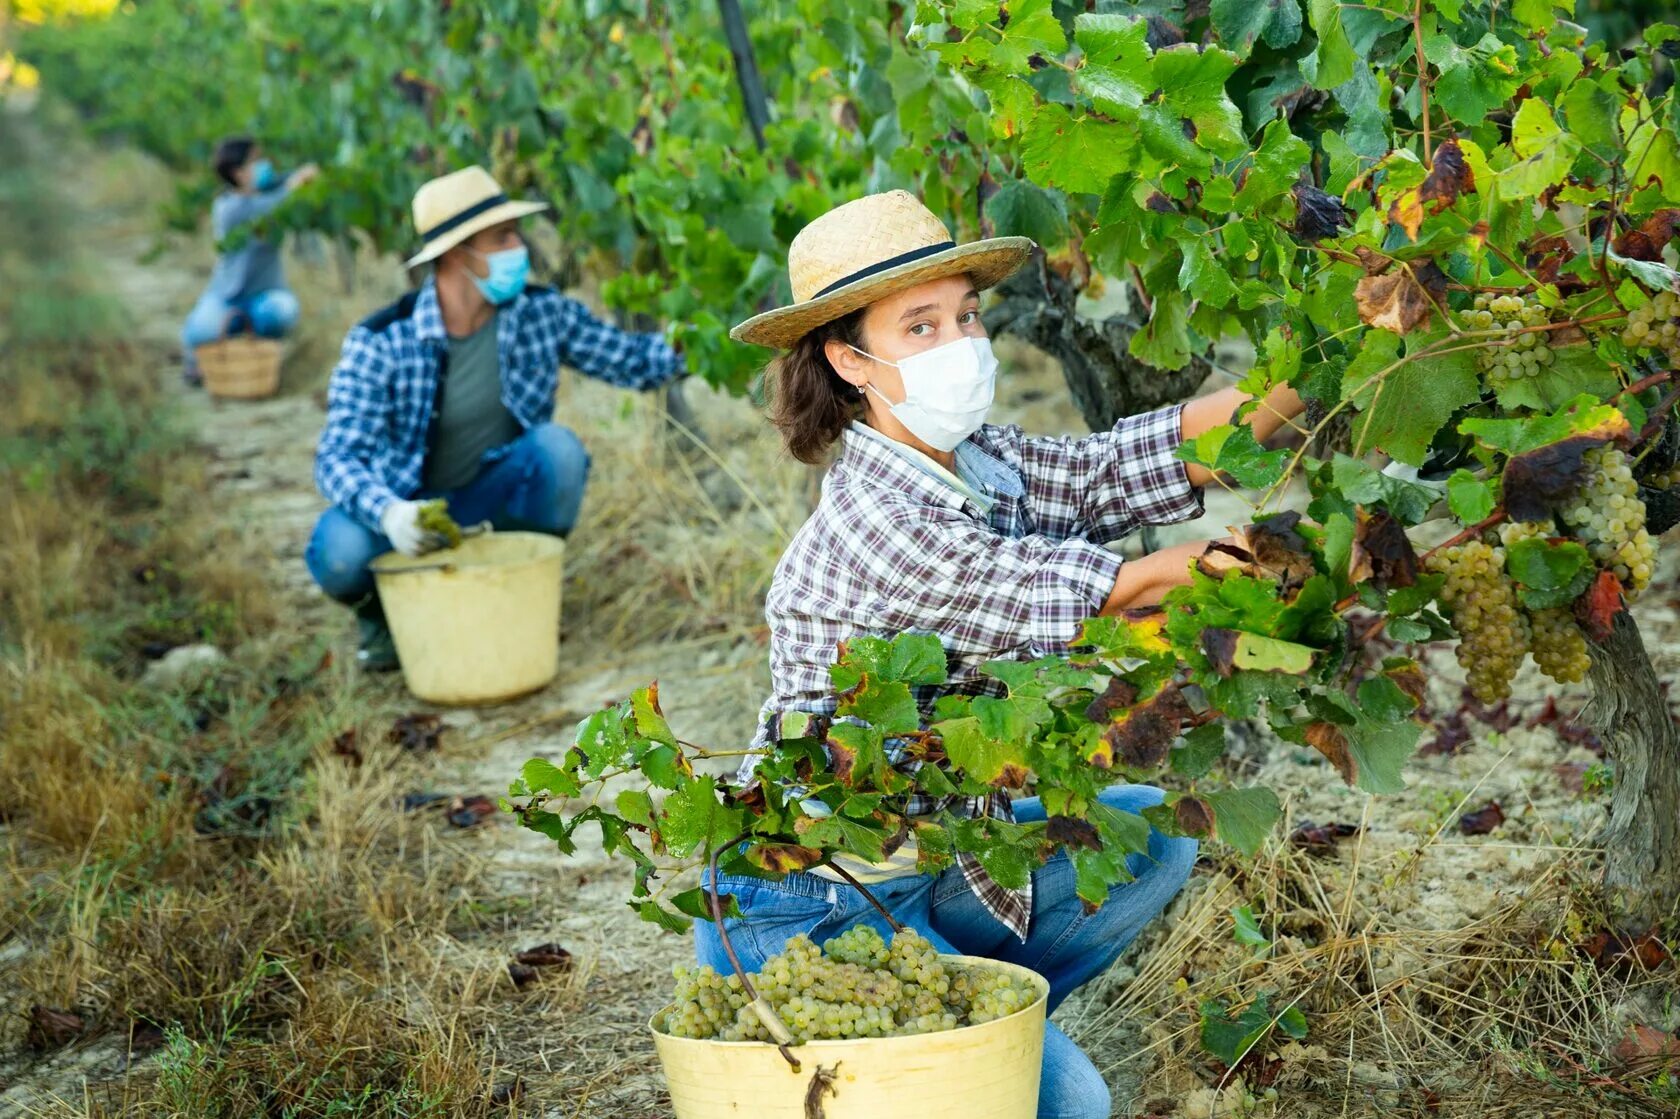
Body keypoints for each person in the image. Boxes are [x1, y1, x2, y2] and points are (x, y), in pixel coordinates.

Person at [700, 191, 1306, 1119]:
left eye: (966, 315)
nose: (961, 344)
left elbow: (1120, 466)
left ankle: (975, 1031)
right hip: (802, 902)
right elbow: (1082, 588)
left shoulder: (970, 456)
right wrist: (1217, 570)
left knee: (1152, 834)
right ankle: (943, 1063)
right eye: (921, 325)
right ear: (849, 358)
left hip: (925, 856)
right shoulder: (877, 520)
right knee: (1073, 1107)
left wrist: (1310, 368)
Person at [306, 165, 687, 669]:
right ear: (455, 255)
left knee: (557, 452)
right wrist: (390, 514)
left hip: (490, 503)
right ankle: (387, 619)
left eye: (516, 235)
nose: (519, 249)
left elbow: (635, 361)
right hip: (410, 517)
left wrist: (715, 337)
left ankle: (518, 591)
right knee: (339, 550)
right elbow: (336, 457)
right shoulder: (382, 340)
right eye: (502, 237)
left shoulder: (539, 312)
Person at [180, 137, 318, 383]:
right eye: (255, 160)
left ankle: (257, 347)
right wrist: (296, 183)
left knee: (282, 313)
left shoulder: (266, 196)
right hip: (227, 296)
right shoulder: (229, 208)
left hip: (265, 294)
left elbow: (280, 191)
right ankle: (204, 362)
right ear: (238, 173)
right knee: (196, 334)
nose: (264, 165)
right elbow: (270, 205)